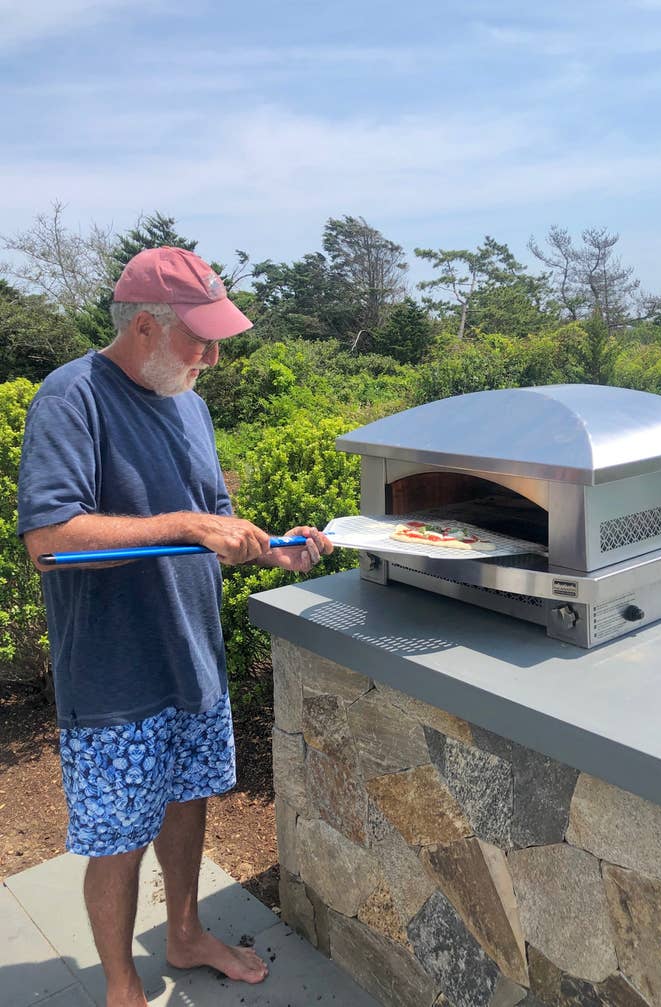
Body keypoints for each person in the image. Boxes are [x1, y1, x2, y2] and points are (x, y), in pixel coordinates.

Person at [16, 246, 333, 1007]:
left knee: (188, 800)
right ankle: (122, 985)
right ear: (147, 329)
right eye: (201, 338)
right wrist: (189, 523)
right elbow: (48, 539)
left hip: (193, 657)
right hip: (114, 673)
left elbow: (207, 530)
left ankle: (185, 931)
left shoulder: (189, 400)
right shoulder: (73, 397)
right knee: (120, 838)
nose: (215, 356)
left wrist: (271, 549)